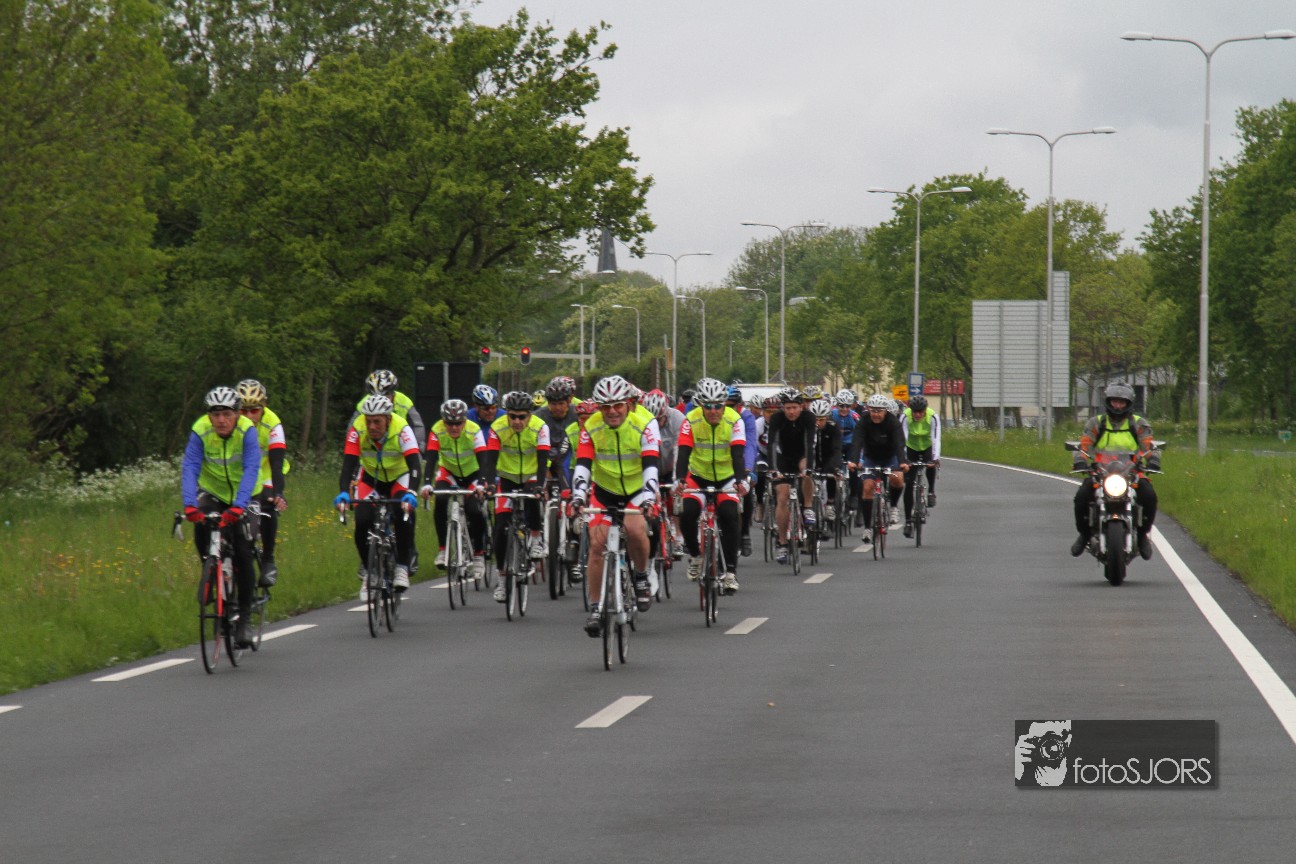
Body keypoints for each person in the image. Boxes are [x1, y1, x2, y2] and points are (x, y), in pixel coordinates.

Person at [571, 375, 661, 635]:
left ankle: (641, 575)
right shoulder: (591, 426)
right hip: (604, 490)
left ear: (628, 404)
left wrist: (649, 497)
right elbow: (583, 464)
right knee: (597, 546)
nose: (612, 411)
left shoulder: (646, 423)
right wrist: (578, 496)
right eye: (605, 407)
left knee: (635, 529)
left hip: (636, 490)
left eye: (617, 405)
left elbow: (651, 464)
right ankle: (596, 607)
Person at [182, 386, 262, 647]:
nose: (221, 420)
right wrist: (189, 504)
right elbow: (190, 466)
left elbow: (251, 467)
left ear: (237, 414)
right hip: (213, 491)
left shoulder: (247, 431)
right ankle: (209, 569)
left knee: (243, 551)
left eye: (227, 414)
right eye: (215, 415)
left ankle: (245, 619)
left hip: (245, 494)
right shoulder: (200, 429)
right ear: (209, 416)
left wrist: (239, 506)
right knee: (201, 524)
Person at [334, 394, 421, 596]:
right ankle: (369, 570)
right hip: (371, 478)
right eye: (369, 421)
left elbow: (415, 465)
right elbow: (348, 466)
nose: (372, 426)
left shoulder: (402, 429)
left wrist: (411, 492)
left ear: (388, 419)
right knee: (362, 520)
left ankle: (402, 566)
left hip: (399, 477)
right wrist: (343, 492)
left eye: (377, 421)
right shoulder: (357, 429)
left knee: (402, 512)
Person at [1071, 381, 1159, 560]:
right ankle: (1084, 534)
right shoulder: (1096, 423)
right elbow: (1084, 444)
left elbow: (1149, 445)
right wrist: (1080, 459)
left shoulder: (1138, 424)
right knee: (1081, 497)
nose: (1118, 405)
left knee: (1149, 496)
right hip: (1100, 473)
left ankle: (1143, 535)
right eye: (1114, 401)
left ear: (1129, 403)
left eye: (1122, 402)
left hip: (1131, 473)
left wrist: (1154, 459)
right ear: (1108, 401)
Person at [677, 378, 747, 594]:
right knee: (687, 512)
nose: (713, 411)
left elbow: (738, 455)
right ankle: (695, 556)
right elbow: (683, 454)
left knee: (729, 515)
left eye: (718, 405)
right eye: (708, 406)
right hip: (698, 476)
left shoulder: (735, 420)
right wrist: (680, 480)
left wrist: (740, 480)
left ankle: (730, 573)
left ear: (724, 404)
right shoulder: (690, 420)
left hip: (726, 477)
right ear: (701, 405)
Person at [482, 390, 552, 602]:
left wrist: (540, 486)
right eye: (512, 416)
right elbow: (490, 461)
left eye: (522, 417)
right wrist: (489, 485)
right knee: (500, 529)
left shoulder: (540, 428)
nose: (517, 421)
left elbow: (543, 462)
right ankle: (502, 580)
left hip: (532, 476)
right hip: (507, 478)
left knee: (532, 498)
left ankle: (536, 538)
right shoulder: (497, 428)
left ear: (530, 415)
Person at [420, 399, 489, 578]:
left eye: (458, 423)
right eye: (449, 423)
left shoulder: (474, 430)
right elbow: (431, 458)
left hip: (473, 473)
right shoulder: (437, 430)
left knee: (474, 510)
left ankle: (479, 554)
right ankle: (443, 549)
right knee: (441, 500)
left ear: (464, 421)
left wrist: (481, 483)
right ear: (443, 422)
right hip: (449, 472)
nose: (454, 427)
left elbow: (484, 459)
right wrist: (427, 483)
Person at [235, 379, 287, 587]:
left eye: (254, 410)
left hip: (266, 472)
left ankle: (268, 560)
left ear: (264, 406)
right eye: (243, 411)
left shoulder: (273, 424)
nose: (249, 416)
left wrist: (279, 493)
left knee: (268, 503)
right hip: (241, 474)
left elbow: (277, 463)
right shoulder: (230, 422)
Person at [763, 387, 816, 564]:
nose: (791, 411)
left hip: (802, 455)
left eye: (794, 407)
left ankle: (807, 507)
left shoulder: (808, 418)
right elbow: (772, 444)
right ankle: (782, 542)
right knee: (782, 496)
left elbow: (809, 443)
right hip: (783, 458)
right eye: (788, 408)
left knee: (806, 471)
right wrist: (773, 469)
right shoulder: (777, 419)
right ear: (782, 408)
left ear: (801, 407)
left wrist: (808, 468)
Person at [846, 393, 909, 544]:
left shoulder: (893, 422)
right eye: (873, 410)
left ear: (885, 411)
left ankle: (893, 507)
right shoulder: (864, 421)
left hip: (890, 456)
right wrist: (854, 461)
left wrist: (902, 462)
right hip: (871, 457)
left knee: (898, 479)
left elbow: (899, 443)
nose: (875, 414)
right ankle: (868, 527)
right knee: (867, 487)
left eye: (879, 411)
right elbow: (857, 441)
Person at [900, 394, 941, 539]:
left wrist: (935, 458)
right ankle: (908, 522)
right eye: (915, 412)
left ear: (925, 410)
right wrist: (904, 459)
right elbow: (902, 439)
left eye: (920, 412)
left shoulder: (932, 416)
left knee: (930, 465)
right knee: (909, 485)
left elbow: (936, 438)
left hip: (927, 447)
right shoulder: (905, 416)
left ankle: (931, 491)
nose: (917, 415)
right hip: (911, 448)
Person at [726, 384, 759, 556]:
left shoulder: (747, 417)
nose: (726, 409)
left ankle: (745, 532)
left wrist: (747, 469)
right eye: (723, 405)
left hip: (742, 458)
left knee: (746, 490)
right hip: (721, 461)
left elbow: (750, 444)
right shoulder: (715, 415)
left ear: (739, 406)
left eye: (731, 406)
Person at [808, 398, 842, 526]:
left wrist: (835, 468)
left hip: (829, 459)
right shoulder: (808, 428)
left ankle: (830, 504)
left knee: (831, 476)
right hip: (813, 460)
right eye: (815, 419)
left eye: (821, 419)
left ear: (827, 418)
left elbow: (837, 449)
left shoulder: (833, 427)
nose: (818, 423)